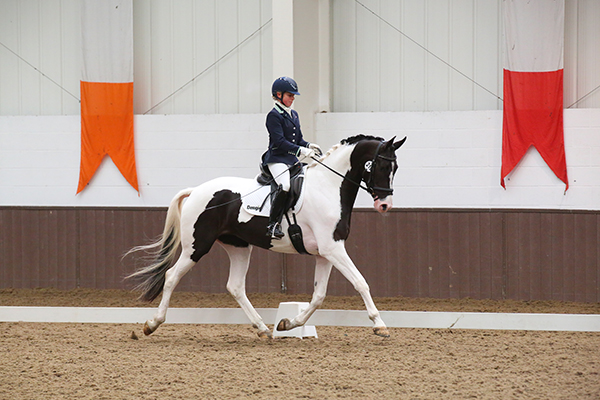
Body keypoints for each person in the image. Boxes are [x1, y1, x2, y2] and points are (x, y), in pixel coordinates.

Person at [261, 77, 322, 239]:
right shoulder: (273, 116)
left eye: (293, 95)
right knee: (285, 185)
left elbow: (298, 139)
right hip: (277, 159)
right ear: (278, 95)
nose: (292, 98)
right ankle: (273, 225)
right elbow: (280, 142)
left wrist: (308, 145)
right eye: (290, 95)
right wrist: (300, 151)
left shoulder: (294, 114)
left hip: (291, 160)